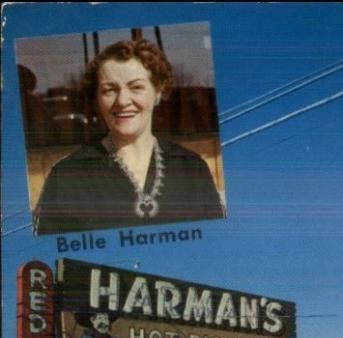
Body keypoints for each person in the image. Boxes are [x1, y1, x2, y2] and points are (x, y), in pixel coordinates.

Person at [33, 39, 225, 235]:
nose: (123, 101)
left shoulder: (192, 168)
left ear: (158, 92)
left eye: (136, 87)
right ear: (97, 99)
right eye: (109, 90)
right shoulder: (67, 177)